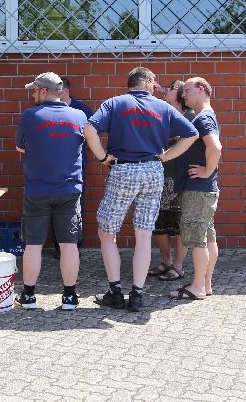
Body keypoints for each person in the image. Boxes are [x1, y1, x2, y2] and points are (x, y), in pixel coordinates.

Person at [85, 67, 198, 312]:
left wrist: (103, 156)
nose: (156, 87)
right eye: (154, 83)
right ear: (147, 82)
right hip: (153, 172)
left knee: (107, 232)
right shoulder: (163, 107)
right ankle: (137, 294)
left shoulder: (115, 103)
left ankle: (115, 292)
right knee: (144, 234)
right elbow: (191, 133)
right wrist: (166, 157)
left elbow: (89, 129)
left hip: (124, 170)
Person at [14, 72, 86, 310]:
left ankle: (29, 296)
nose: (33, 94)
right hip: (69, 189)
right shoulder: (78, 115)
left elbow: (20, 147)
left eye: (34, 90)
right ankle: (69, 296)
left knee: (33, 244)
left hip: (38, 189)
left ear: (44, 91)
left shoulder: (30, 116)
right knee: (68, 244)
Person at [169, 77, 222, 301]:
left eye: (187, 90)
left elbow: (215, 147)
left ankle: (197, 286)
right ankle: (205, 283)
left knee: (198, 241)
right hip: (204, 190)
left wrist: (207, 171)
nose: (184, 94)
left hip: (197, 189)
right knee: (208, 237)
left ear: (201, 90)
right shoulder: (206, 116)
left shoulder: (203, 118)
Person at [148, 80, 195, 281]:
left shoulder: (190, 115)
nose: (166, 90)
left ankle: (178, 265)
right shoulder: (162, 112)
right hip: (159, 174)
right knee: (158, 221)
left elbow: (192, 140)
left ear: (182, 93)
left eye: (172, 88)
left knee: (179, 223)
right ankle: (166, 261)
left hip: (179, 176)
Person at [49, 76, 93, 258]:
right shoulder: (48, 110)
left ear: (65, 91)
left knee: (74, 206)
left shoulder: (81, 110)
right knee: (53, 204)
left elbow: (93, 134)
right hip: (51, 167)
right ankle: (58, 244)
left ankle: (74, 244)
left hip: (75, 167)